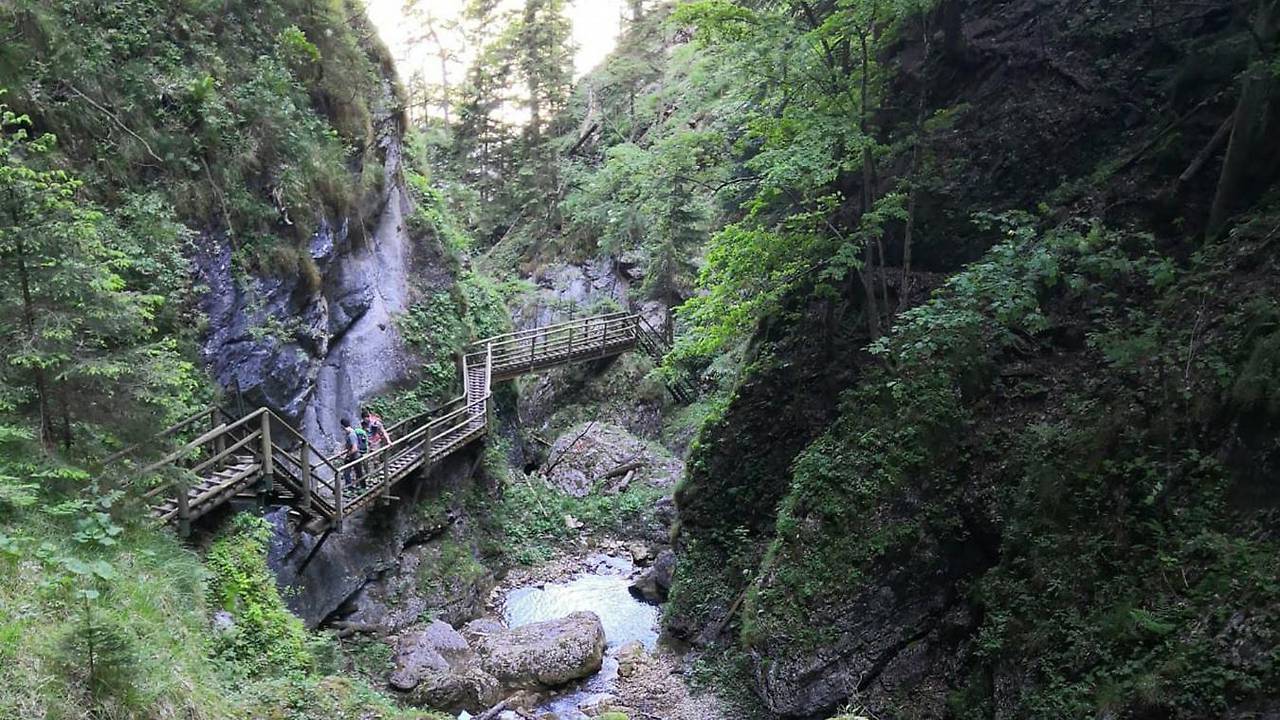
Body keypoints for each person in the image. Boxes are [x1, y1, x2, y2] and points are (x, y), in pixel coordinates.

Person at [339, 418, 364, 491]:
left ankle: (361, 487)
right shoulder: (349, 434)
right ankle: (349, 487)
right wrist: (342, 452)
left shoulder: (351, 435)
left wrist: (347, 455)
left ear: (343, 426)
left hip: (355, 456)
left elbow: (355, 448)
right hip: (353, 456)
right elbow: (347, 445)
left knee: (358, 472)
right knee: (348, 472)